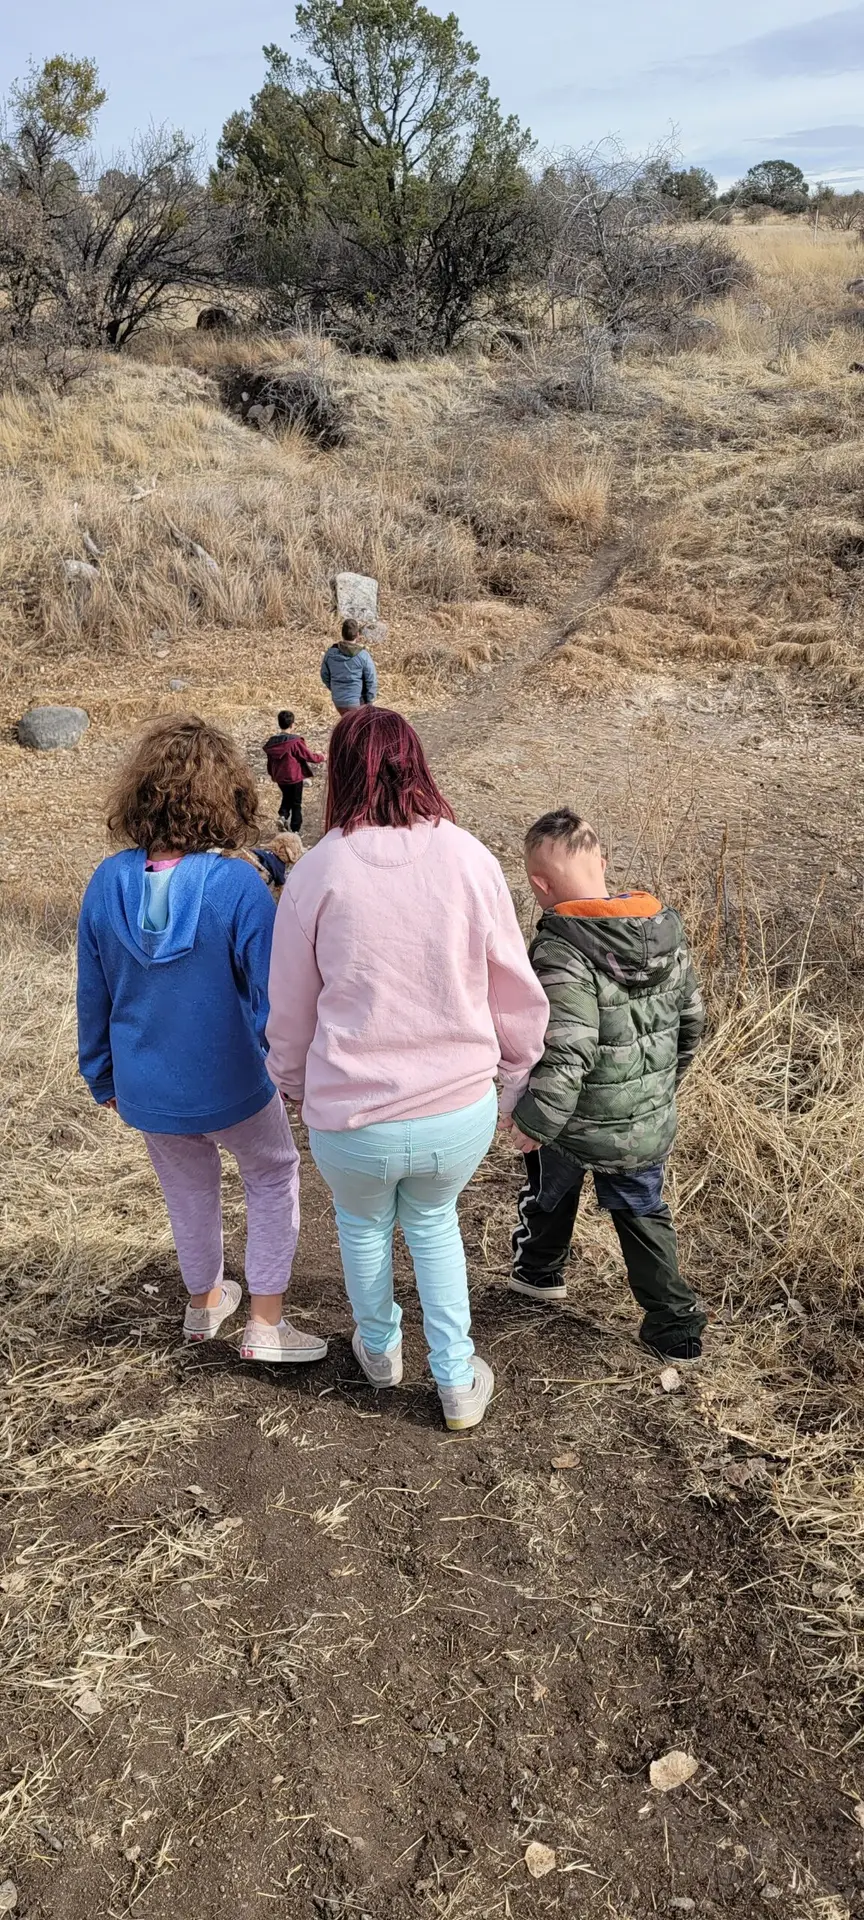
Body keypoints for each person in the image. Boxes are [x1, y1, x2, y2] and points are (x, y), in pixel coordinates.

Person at [265, 707, 549, 1431]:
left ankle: (380, 1353)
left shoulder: (318, 870)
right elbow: (514, 986)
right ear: (415, 763)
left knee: (362, 1227)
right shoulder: (469, 858)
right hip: (456, 1110)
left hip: (352, 1115)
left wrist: (294, 1085)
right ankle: (456, 1382)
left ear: (344, 771)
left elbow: (290, 1010)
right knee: (434, 1225)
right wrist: (519, 1078)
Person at [76, 714, 328, 1367]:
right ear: (229, 798)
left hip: (146, 1087)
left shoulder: (107, 882)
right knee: (273, 1174)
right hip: (236, 1082)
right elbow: (277, 998)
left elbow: (93, 992)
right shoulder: (238, 885)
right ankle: (266, 1327)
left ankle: (204, 1302)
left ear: (140, 797)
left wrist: (102, 1077)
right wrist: (295, 1075)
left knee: (187, 1189)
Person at [504, 808, 707, 1362]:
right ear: (603, 862)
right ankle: (674, 1325)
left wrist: (533, 1122)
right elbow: (693, 1019)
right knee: (642, 1208)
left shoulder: (561, 948)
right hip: (645, 1114)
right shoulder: (664, 928)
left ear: (539, 884)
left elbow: (568, 1050)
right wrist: (661, 1083)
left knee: (548, 1182)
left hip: (573, 1119)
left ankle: (540, 1269)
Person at [262, 710, 324, 834]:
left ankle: (283, 816)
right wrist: (322, 757)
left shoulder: (272, 743)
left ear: (279, 723)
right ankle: (295, 830)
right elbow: (308, 756)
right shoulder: (295, 742)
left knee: (286, 797)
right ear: (292, 725)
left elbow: (270, 762)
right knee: (296, 803)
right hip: (294, 777)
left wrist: (272, 775)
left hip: (280, 777)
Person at [320, 619, 378, 717]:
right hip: (357, 702)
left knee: (346, 722)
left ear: (342, 634)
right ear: (358, 635)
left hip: (338, 701)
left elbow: (324, 675)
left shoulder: (330, 653)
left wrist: (335, 689)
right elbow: (371, 680)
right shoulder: (363, 655)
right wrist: (369, 701)